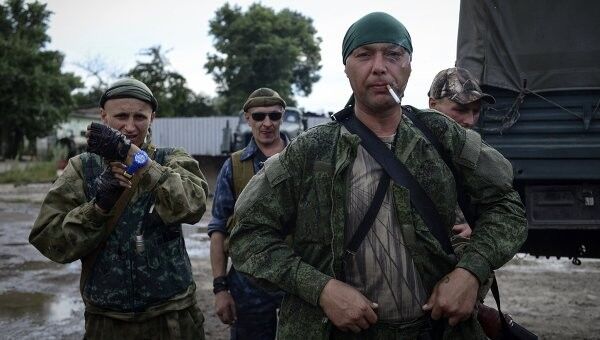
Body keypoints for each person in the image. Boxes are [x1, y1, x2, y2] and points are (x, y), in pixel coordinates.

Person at [228, 12, 527, 339]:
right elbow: (247, 236)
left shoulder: (441, 136)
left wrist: (471, 271)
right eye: (364, 54)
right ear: (347, 67)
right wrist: (322, 289)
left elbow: (507, 206)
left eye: (393, 54)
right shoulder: (310, 151)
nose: (380, 66)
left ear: (409, 65)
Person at [29, 78, 208, 339]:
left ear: (153, 118)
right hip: (107, 321)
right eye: (121, 116)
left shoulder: (171, 159)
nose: (130, 126)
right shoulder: (82, 168)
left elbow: (194, 206)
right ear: (103, 116)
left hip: (173, 317)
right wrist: (98, 207)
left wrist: (138, 160)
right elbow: (48, 239)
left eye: (140, 117)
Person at [208, 88, 287, 340]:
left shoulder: (301, 158)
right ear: (247, 118)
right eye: (259, 116)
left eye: (273, 116)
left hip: (295, 281)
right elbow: (219, 227)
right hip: (247, 283)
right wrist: (220, 288)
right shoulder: (234, 165)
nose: (266, 123)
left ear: (282, 116)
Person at [428, 67, 496, 239]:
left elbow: (498, 206)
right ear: (433, 104)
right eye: (460, 110)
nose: (470, 121)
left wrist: (477, 226)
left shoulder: (472, 149)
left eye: (476, 111)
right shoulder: (411, 145)